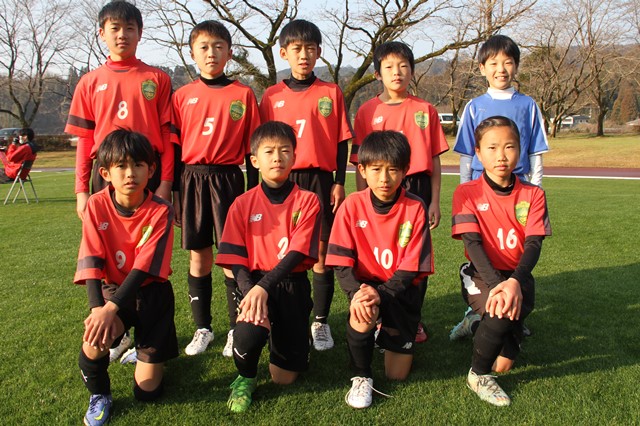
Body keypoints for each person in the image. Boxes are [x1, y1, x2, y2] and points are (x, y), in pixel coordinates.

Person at [215, 121, 322, 412]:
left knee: (283, 379)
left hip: (291, 284)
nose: (277, 157)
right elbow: (234, 256)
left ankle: (292, 334)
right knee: (247, 336)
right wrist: (250, 290)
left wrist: (263, 287)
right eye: (269, 151)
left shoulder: (308, 200)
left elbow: (297, 254)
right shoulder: (242, 203)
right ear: (254, 160)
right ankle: (245, 377)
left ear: (294, 157)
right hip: (253, 282)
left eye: (285, 151)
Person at [259, 19, 353, 351]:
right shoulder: (271, 96)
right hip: (283, 181)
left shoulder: (331, 92)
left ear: (319, 52)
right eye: (297, 49)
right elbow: (263, 144)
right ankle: (280, 316)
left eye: (310, 49)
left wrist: (339, 181)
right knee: (282, 250)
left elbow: (341, 141)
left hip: (320, 180)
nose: (304, 55)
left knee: (322, 253)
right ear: (284, 53)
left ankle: (321, 322)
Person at [74, 129, 178, 426]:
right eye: (121, 166)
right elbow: (91, 259)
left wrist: (109, 309)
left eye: (138, 165)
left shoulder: (161, 210)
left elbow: (143, 268)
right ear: (105, 173)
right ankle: (100, 395)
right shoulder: (96, 205)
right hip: (113, 291)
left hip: (153, 295)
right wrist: (98, 309)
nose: (130, 173)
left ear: (151, 170)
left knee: (147, 392)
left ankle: (146, 353)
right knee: (94, 342)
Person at [449, 34, 549, 339]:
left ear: (516, 66)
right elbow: (467, 155)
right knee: (482, 253)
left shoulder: (528, 105)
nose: (501, 69)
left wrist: (534, 190)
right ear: (482, 68)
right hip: (482, 194)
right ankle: (475, 312)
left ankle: (516, 311)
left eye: (507, 62)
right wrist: (467, 192)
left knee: (516, 253)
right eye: (493, 63)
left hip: (517, 193)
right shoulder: (474, 106)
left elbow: (536, 153)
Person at [171, 20, 260, 357]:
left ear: (230, 53)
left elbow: (253, 151)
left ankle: (236, 328)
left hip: (228, 179)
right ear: (193, 53)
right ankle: (203, 328)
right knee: (199, 255)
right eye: (204, 47)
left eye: (219, 47)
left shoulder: (243, 94)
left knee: (230, 256)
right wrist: (176, 193)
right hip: (192, 179)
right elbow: (174, 151)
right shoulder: (182, 96)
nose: (212, 53)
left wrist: (254, 193)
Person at [326, 130, 434, 409]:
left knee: (397, 374)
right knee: (363, 310)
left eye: (393, 170)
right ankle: (361, 376)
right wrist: (356, 295)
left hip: (400, 290)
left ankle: (390, 328)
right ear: (362, 170)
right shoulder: (351, 205)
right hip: (365, 288)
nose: (384, 178)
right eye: (376, 169)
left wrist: (382, 294)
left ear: (405, 170)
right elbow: (341, 261)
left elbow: (411, 268)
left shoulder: (415, 207)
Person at [350, 41, 449, 343]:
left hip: (416, 187)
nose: (397, 72)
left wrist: (434, 201)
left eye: (404, 66)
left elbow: (434, 159)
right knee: (380, 255)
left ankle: (412, 319)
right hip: (379, 189)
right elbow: (360, 163)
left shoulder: (425, 110)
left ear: (412, 71)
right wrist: (362, 202)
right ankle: (381, 315)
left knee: (415, 259)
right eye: (389, 67)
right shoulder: (367, 111)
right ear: (377, 74)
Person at [451, 116, 551, 406]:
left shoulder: (533, 194)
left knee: (504, 364)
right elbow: (472, 244)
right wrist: (498, 285)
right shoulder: (466, 192)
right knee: (500, 310)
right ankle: (478, 375)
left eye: (509, 147)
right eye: (492, 148)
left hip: (517, 278)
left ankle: (474, 323)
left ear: (520, 149)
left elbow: (533, 244)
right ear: (478, 153)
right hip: (481, 275)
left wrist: (515, 281)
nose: (501, 156)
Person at [65, 0, 174, 222]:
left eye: (129, 28)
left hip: (147, 170)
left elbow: (167, 135)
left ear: (140, 33)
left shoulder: (158, 79)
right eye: (115, 28)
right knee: (105, 239)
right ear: (102, 33)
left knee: (149, 239)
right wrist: (81, 191)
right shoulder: (89, 82)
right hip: (107, 170)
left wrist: (165, 183)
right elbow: (85, 139)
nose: (122, 34)